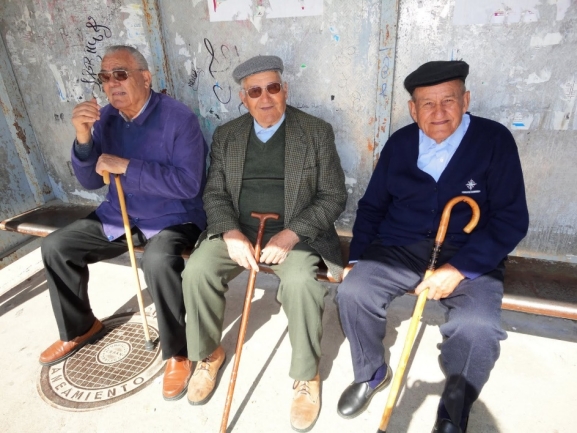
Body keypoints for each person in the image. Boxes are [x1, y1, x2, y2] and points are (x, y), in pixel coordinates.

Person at [336, 60, 529, 433]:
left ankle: (454, 407)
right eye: (427, 103)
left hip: (469, 253)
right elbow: (373, 206)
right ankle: (371, 372)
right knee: (353, 292)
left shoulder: (494, 140)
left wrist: (458, 270)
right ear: (413, 109)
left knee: (477, 329)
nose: (438, 112)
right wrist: (357, 258)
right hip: (399, 246)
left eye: (448, 100)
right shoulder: (400, 143)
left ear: (465, 100)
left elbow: (511, 218)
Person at [182, 55, 347, 432]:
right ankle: (209, 354)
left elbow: (333, 196)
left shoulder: (315, 132)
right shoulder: (227, 135)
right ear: (244, 99)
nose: (265, 97)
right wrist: (229, 232)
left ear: (285, 90)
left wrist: (291, 234)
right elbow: (214, 194)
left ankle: (306, 376)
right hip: (239, 230)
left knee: (301, 283)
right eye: (255, 91)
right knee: (197, 271)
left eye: (272, 87)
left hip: (296, 232)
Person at [39, 45, 207, 402]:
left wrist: (128, 166)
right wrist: (83, 138)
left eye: (121, 74)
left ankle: (178, 353)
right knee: (57, 246)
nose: (112, 83)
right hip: (120, 215)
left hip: (174, 216)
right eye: (105, 77)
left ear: (145, 78)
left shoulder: (179, 118)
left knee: (157, 261)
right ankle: (81, 327)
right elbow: (90, 181)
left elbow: (189, 184)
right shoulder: (105, 119)